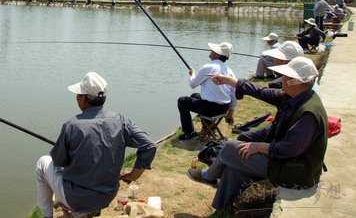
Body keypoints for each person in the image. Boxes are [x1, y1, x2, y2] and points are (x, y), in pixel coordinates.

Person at [188, 57, 328, 211]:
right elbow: (260, 92)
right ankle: (222, 210)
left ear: (297, 81)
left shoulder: (308, 113)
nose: (282, 80)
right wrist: (230, 81)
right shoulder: (293, 98)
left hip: (295, 172)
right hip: (284, 163)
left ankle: (209, 176)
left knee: (230, 147)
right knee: (234, 166)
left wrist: (260, 147)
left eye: (287, 77)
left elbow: (290, 149)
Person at [35, 72, 157, 217]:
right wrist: (134, 175)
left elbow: (59, 161)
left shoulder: (71, 125)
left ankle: (48, 215)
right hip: (106, 197)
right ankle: (80, 211)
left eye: (79, 95)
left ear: (84, 99)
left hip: (77, 199)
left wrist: (61, 150)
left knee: (43, 162)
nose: (76, 97)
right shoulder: (121, 120)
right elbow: (149, 145)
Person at [177, 42, 237, 140]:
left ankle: (189, 132)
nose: (210, 52)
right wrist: (231, 112)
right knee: (195, 95)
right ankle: (208, 127)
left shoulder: (208, 67)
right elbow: (234, 94)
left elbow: (193, 84)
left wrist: (192, 74)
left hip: (211, 109)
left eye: (213, 51)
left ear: (217, 54)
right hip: (224, 108)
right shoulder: (229, 71)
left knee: (182, 101)